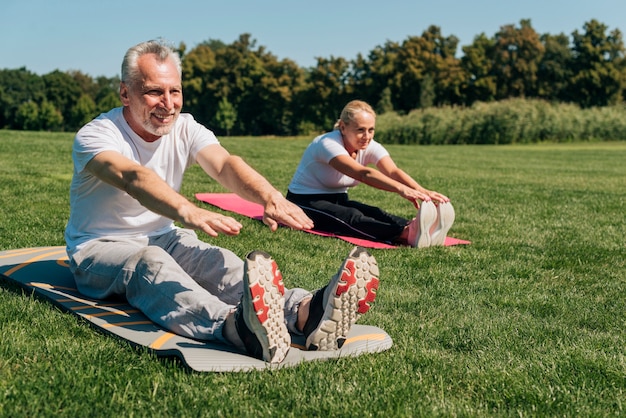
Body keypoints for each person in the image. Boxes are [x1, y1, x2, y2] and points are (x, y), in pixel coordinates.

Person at [64, 40, 380, 364]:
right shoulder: (97, 135)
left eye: (175, 91)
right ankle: (234, 327)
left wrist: (269, 197)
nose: (168, 103)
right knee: (149, 264)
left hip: (164, 237)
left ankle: (304, 313)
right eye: (154, 92)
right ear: (125, 93)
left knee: (218, 262)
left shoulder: (185, 127)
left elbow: (225, 164)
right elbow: (133, 177)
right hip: (99, 247)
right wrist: (187, 210)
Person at [286, 100, 455, 248]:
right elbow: (363, 174)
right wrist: (400, 189)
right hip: (304, 202)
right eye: (360, 130)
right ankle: (404, 234)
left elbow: (393, 171)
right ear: (343, 127)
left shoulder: (368, 145)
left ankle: (418, 228)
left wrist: (422, 191)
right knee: (351, 217)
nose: (366, 136)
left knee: (375, 212)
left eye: (371, 130)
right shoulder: (327, 144)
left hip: (337, 199)